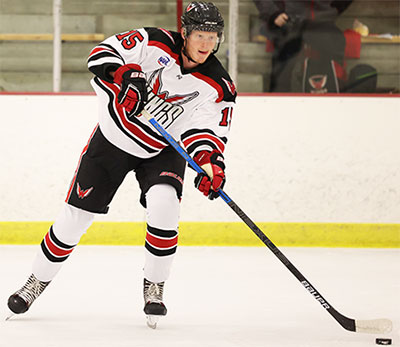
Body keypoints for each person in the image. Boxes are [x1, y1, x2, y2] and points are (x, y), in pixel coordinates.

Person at [7, 1, 236, 329]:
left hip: (163, 148)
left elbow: (208, 132)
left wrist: (210, 165)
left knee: (165, 204)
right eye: (199, 34)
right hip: (113, 141)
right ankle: (35, 282)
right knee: (75, 219)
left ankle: (154, 287)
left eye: (212, 37)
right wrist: (124, 75)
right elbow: (100, 53)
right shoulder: (151, 42)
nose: (205, 44)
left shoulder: (219, 86)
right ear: (184, 33)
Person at [253, 0, 353, 92]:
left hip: (323, 23)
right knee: (282, 78)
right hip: (288, 23)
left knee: (331, 73)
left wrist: (335, 7)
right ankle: (280, 106)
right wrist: (273, 13)